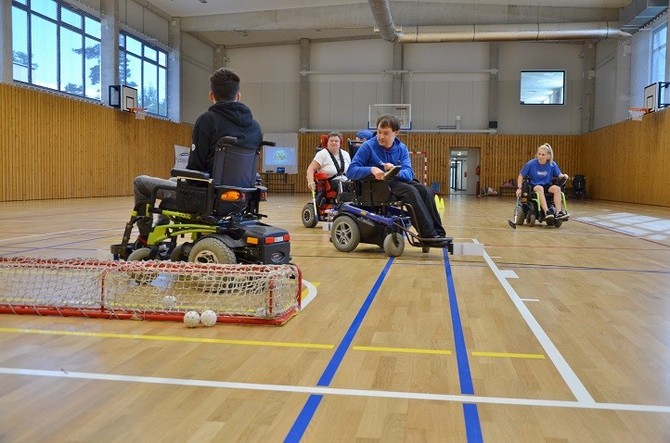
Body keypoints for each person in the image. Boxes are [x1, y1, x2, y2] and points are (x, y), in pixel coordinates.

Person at [132, 67, 262, 245]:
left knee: (141, 182)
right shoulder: (255, 127)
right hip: (240, 200)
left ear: (211, 95)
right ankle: (160, 226)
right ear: (238, 96)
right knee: (171, 181)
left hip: (204, 198)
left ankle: (145, 238)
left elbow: (196, 167)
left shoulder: (207, 120)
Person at [346, 114, 448, 244]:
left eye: (386, 133)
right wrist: (371, 169)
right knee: (411, 192)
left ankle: (438, 232)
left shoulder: (401, 148)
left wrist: (395, 169)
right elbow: (351, 171)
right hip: (377, 185)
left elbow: (409, 173)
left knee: (425, 190)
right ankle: (427, 235)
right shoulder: (368, 146)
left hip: (396, 180)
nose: (381, 136)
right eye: (379, 132)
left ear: (396, 132)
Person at [516, 142, 569, 220]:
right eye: (539, 154)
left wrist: (565, 176)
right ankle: (546, 212)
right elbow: (521, 176)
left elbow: (560, 175)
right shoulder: (531, 164)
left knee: (557, 189)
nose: (540, 156)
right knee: (540, 188)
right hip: (534, 185)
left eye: (543, 155)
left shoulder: (552, 164)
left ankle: (559, 212)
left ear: (548, 156)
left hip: (547, 185)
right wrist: (519, 188)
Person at [306, 131, 351, 206]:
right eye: (331, 141)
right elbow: (311, 169)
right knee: (341, 184)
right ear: (327, 142)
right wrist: (310, 181)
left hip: (345, 180)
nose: (334, 143)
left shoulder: (345, 154)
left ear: (340, 143)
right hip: (330, 182)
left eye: (336, 141)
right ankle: (341, 205)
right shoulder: (322, 154)